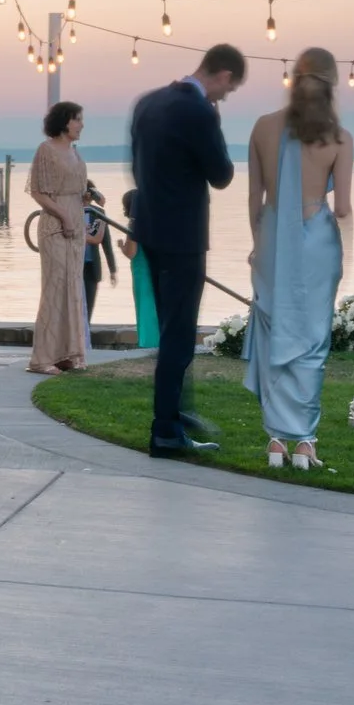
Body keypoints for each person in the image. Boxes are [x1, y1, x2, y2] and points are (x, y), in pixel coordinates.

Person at [128, 45, 245, 454]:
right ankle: (166, 429)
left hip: (150, 230)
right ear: (225, 75)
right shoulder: (199, 111)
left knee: (169, 331)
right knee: (179, 335)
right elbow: (222, 174)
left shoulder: (147, 103)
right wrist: (215, 123)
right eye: (227, 92)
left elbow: (140, 165)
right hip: (183, 237)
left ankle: (176, 412)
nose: (222, 98)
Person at [244, 48, 354, 470]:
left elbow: (254, 198)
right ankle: (305, 442)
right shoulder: (340, 137)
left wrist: (259, 243)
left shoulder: (262, 127)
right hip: (316, 241)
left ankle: (276, 441)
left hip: (272, 236)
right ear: (331, 84)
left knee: (275, 331)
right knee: (311, 338)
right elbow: (342, 206)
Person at [27, 102, 91, 375]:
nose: (81, 124)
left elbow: (75, 189)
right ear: (65, 122)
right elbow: (39, 193)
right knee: (55, 288)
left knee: (72, 289)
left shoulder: (75, 154)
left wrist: (87, 197)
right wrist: (63, 216)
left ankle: (67, 353)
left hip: (76, 225)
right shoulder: (46, 150)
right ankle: (42, 358)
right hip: (55, 225)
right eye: (78, 119)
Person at [120, 188, 159, 349]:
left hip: (141, 271)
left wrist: (122, 247)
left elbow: (131, 252)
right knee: (156, 307)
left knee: (144, 307)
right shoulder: (155, 221)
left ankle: (147, 342)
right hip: (156, 269)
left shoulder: (134, 225)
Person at [80, 182, 109, 321]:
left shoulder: (97, 213)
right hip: (76, 266)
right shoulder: (71, 211)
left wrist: (112, 269)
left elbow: (105, 242)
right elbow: (96, 239)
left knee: (89, 306)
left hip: (92, 266)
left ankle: (85, 334)